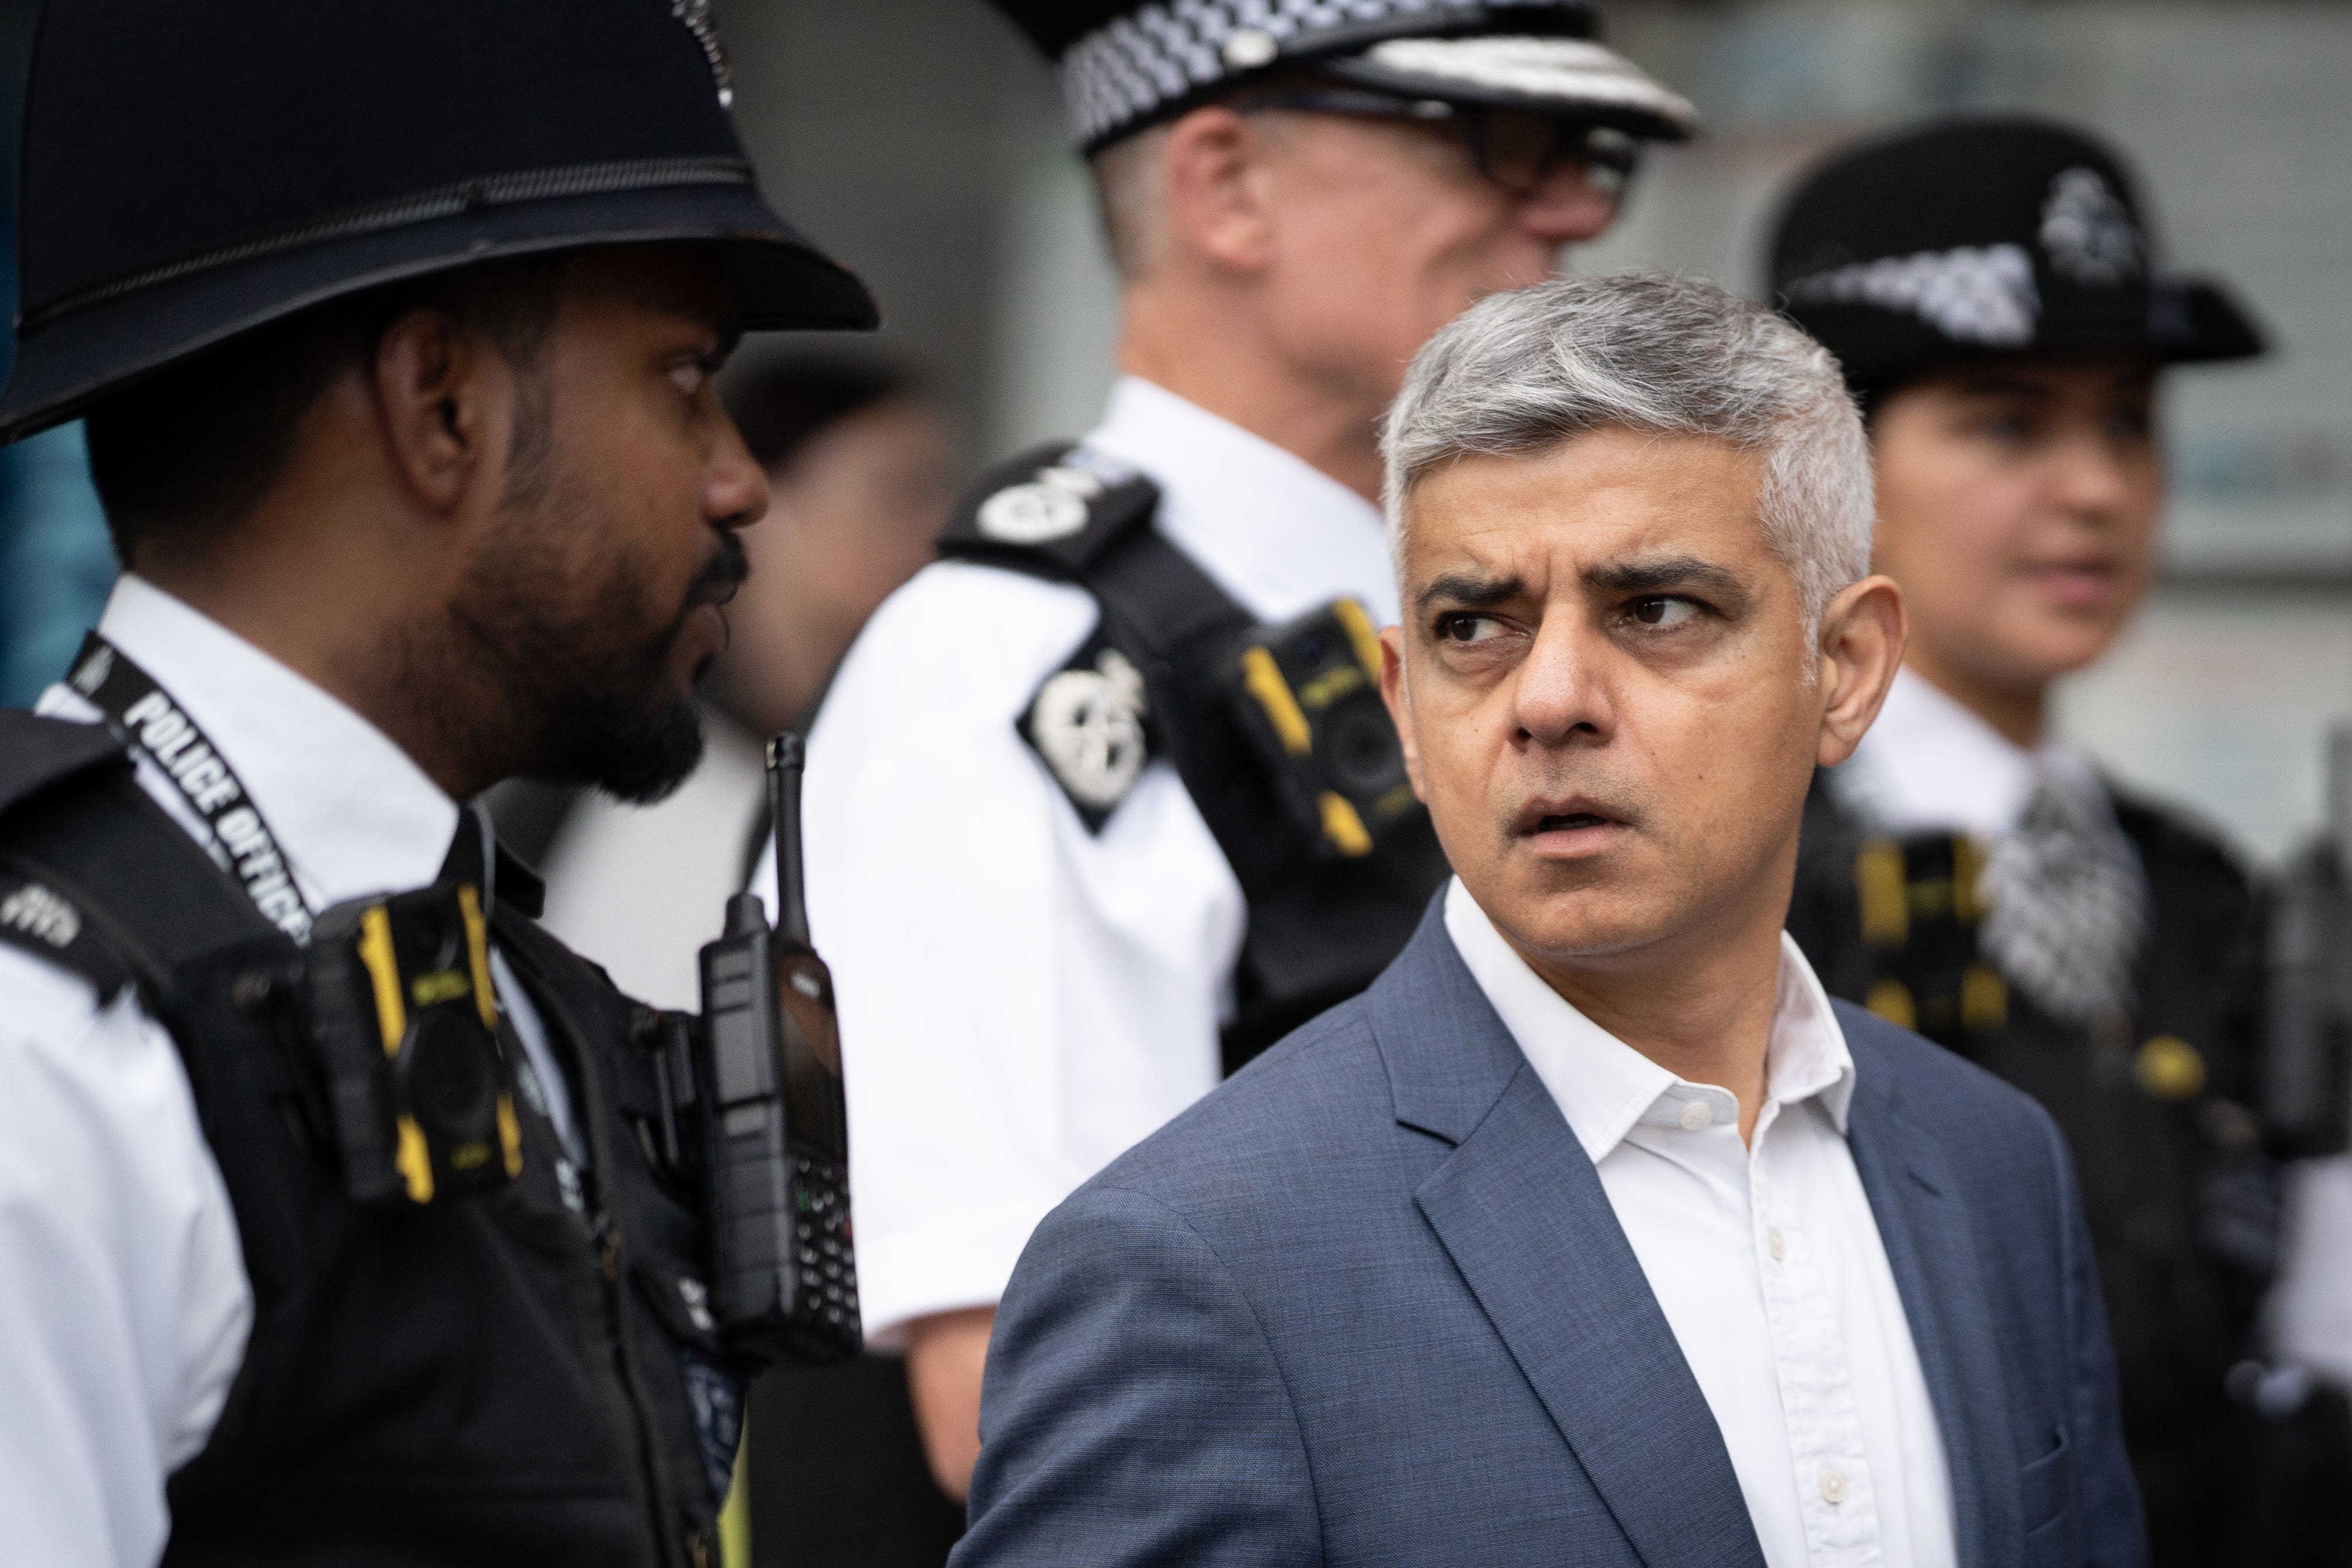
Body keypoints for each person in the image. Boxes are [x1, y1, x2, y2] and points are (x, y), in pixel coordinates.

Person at [953, 272, 2142, 1568]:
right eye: (1475, 625)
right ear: (1401, 704)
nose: (1550, 697)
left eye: (1655, 610)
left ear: (1843, 671)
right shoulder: (1191, 1260)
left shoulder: (1989, 1164)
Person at [764, 0, 1695, 1501]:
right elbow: (1036, 1414)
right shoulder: (1004, 672)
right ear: (1224, 186)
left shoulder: (1491, 645)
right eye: (1499, 143)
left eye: (1582, 154)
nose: (1577, 207)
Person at [0, 3, 877, 1564]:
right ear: (442, 409)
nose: (737, 475)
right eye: (683, 375)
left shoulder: (506, 983)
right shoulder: (47, 1050)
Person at [1765, 115, 2347, 1564]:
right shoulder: (1740, 877)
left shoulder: (2205, 886)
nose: (2093, 487)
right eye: (2009, 423)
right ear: (1823, 467)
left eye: (2127, 423)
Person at [532, 359, 958, 1011]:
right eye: (895, 494)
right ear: (762, 510)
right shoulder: (653, 786)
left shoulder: (905, 771)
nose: (931, 539)